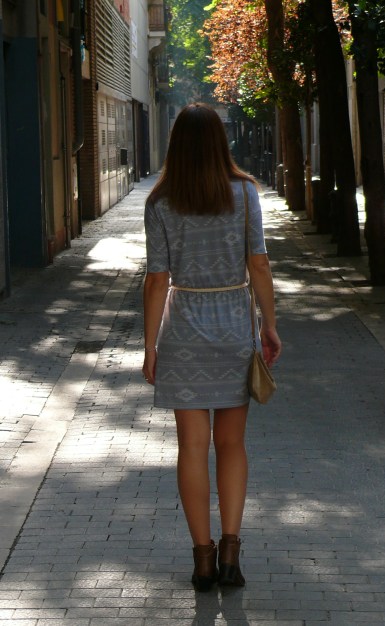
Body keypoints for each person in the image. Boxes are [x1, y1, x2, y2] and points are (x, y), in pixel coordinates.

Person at [142, 103, 281, 592]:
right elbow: (258, 263)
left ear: (176, 145)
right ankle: (231, 558)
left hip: (182, 330)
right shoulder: (244, 193)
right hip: (233, 328)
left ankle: (202, 561)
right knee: (232, 444)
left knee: (191, 447)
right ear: (221, 143)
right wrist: (269, 325)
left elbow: (157, 278)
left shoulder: (160, 202)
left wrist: (150, 347)